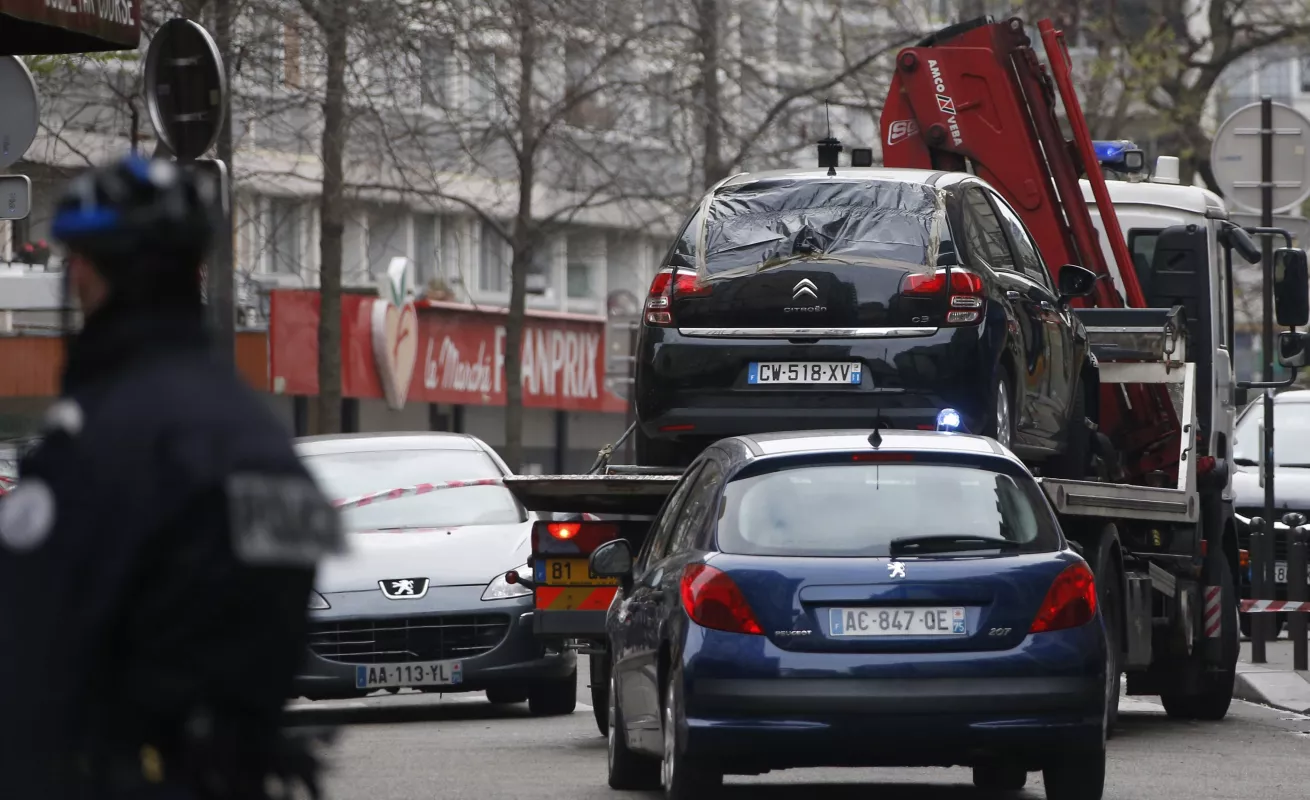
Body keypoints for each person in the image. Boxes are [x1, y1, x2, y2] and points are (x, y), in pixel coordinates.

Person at [0, 154, 343, 799]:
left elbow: (28, 652)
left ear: (92, 277)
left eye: (78, 264)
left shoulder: (95, 446)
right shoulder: (268, 445)